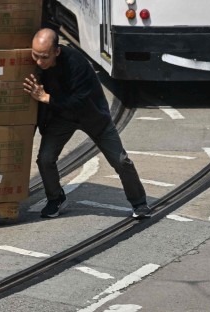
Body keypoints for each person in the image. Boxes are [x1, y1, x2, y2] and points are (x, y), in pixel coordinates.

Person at [23, 28, 151, 220]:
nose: (39, 62)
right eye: (35, 56)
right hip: (62, 116)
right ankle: (55, 198)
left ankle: (139, 203)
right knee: (45, 159)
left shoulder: (76, 64)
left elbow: (79, 102)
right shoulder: (39, 67)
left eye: (44, 57)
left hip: (91, 115)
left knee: (121, 161)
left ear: (57, 51)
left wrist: (47, 98)